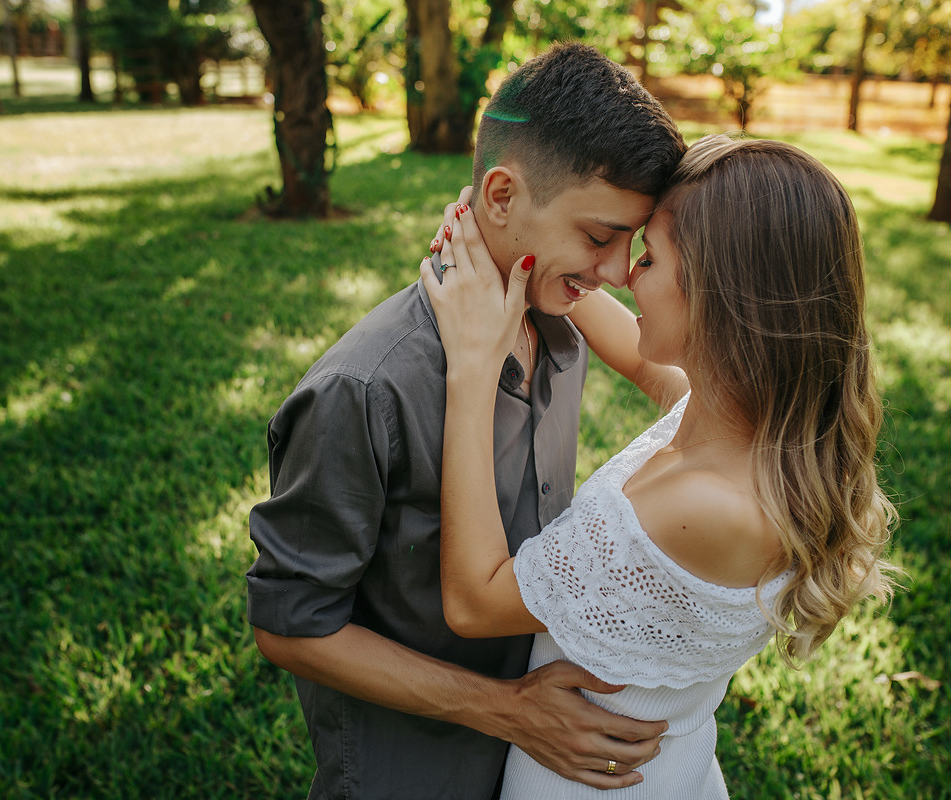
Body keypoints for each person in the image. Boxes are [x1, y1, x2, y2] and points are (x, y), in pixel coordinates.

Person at [246, 43, 687, 798]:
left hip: (533, 765)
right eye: (598, 237)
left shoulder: (565, 318)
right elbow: (291, 626)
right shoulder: (366, 389)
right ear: (503, 195)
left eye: (632, 244)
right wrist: (506, 710)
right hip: (415, 770)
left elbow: (682, 388)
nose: (616, 274)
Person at [420, 134, 899, 798]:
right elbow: (645, 359)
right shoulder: (746, 427)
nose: (622, 273)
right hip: (668, 766)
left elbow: (474, 601)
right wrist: (524, 247)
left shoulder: (706, 506)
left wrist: (473, 367)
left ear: (721, 295)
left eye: (647, 257)